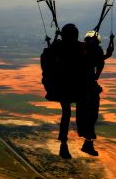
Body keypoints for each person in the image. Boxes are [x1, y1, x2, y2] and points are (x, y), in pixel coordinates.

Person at [44, 23, 87, 159]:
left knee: (66, 113)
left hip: (61, 87)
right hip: (76, 87)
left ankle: (64, 143)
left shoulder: (57, 46)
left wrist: (55, 40)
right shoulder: (81, 46)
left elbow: (47, 57)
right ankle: (87, 138)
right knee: (83, 108)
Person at [77, 31, 114, 156]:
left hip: (80, 89)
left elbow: (106, 54)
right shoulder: (90, 54)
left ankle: (88, 142)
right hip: (88, 89)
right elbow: (106, 55)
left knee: (84, 114)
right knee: (91, 114)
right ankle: (88, 143)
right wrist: (111, 40)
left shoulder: (81, 51)